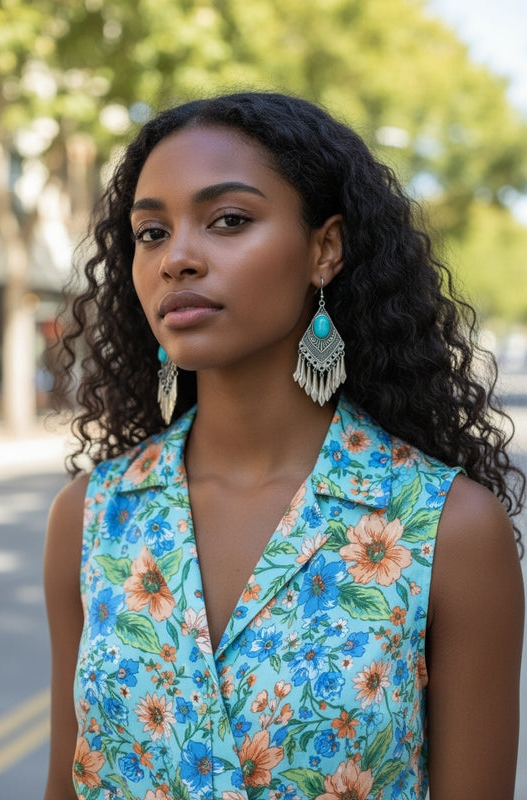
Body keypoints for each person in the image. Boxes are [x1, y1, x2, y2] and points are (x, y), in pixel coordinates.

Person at [44, 92, 524, 800]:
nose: (176, 257)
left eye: (228, 220)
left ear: (323, 250)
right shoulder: (91, 517)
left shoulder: (445, 529)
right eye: (151, 232)